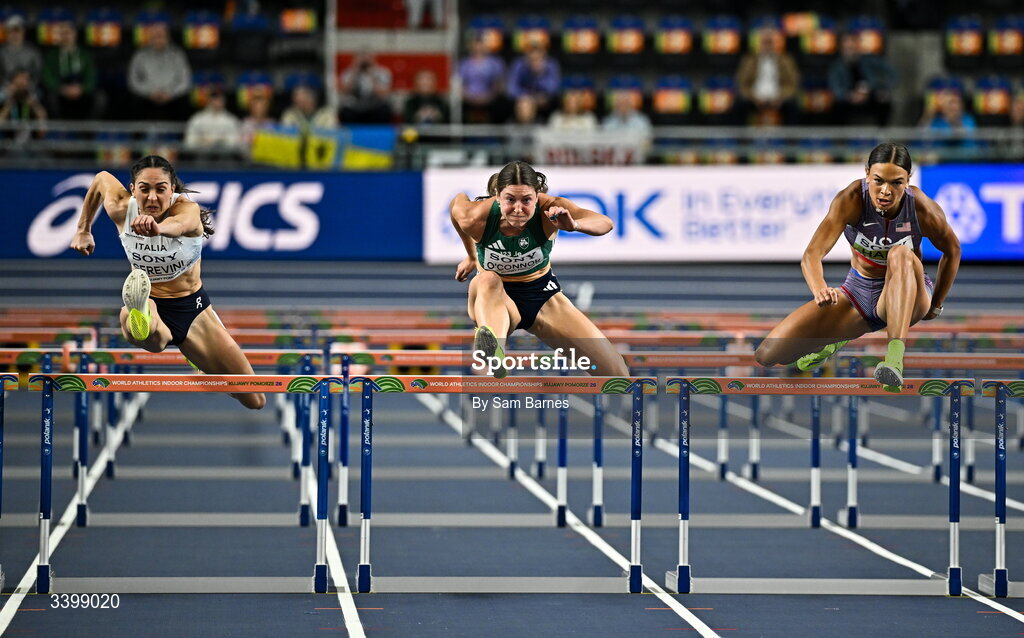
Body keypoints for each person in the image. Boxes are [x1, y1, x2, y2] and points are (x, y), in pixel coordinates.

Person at [754, 143, 961, 389]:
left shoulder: (922, 209)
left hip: (909, 292)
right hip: (859, 293)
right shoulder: (850, 199)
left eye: (896, 183)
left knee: (900, 254)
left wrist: (935, 305)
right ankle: (835, 341)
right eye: (878, 181)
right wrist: (819, 288)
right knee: (768, 354)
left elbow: (953, 250)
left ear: (908, 180)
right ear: (866, 174)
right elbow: (812, 254)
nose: (886, 191)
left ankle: (894, 360)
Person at [69, 155, 266, 410]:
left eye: (160, 189)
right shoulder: (121, 207)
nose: (152, 197)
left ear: (171, 189)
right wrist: (83, 229)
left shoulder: (187, 210)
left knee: (255, 399)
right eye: (144, 189)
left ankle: (204, 366)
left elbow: (179, 224)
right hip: (150, 300)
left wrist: (158, 229)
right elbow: (100, 180)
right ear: (132, 189)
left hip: (192, 311)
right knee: (154, 338)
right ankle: (140, 313)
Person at [449, 160, 628, 378]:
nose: (518, 209)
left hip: (543, 297)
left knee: (617, 374)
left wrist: (574, 225)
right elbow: (456, 205)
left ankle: (493, 347)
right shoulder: (475, 217)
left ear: (537, 196)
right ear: (497, 195)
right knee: (488, 279)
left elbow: (605, 223)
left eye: (526, 200)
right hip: (495, 300)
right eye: (510, 200)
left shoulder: (549, 209)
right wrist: (470, 256)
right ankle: (494, 351)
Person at [828, 32, 897, 126]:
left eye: (852, 47)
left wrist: (885, 88)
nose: (850, 51)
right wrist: (850, 96)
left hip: (870, 95)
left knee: (884, 102)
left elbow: (892, 72)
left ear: (857, 47)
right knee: (836, 106)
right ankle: (841, 138)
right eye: (847, 48)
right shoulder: (837, 67)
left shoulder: (869, 60)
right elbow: (835, 87)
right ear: (842, 49)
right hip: (849, 99)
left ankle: (882, 134)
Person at [736, 25, 799, 126]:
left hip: (779, 97)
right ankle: (740, 139)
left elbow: (792, 83)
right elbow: (742, 83)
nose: (767, 45)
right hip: (755, 98)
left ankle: (790, 139)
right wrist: (754, 98)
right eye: (764, 42)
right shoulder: (749, 60)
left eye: (770, 42)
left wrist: (780, 98)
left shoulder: (786, 60)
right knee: (738, 105)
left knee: (793, 106)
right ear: (759, 43)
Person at [127, 23, 191, 121]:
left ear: (168, 38)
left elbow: (185, 81)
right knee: (134, 101)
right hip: (147, 98)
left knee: (185, 101)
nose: (158, 40)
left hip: (172, 98)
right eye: (155, 37)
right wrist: (149, 92)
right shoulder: (139, 56)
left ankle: (180, 135)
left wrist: (170, 93)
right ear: (150, 38)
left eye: (161, 36)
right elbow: (133, 81)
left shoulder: (178, 55)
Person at [41, 20, 99, 120]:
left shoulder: (84, 54)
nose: (65, 37)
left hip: (80, 90)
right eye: (62, 34)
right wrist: (62, 89)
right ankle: (59, 131)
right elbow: (47, 76)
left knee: (99, 98)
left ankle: (88, 131)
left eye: (68, 33)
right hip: (61, 91)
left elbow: (91, 76)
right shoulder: (52, 55)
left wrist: (82, 89)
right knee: (49, 97)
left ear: (74, 34)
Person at [183, 87, 242, 155]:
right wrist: (202, 141)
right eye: (214, 98)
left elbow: (235, 142)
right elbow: (189, 141)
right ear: (209, 100)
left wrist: (217, 141)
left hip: (225, 157)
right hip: (201, 156)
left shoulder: (231, 120)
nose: (217, 101)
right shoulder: (197, 119)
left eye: (219, 98)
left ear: (224, 100)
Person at [0, 14, 41, 84]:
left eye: (17, 31)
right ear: (7, 34)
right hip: (6, 88)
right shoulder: (1, 52)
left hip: (29, 87)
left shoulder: (33, 51)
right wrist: (8, 86)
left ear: (23, 32)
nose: (14, 35)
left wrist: (28, 85)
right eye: (10, 32)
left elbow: (39, 73)